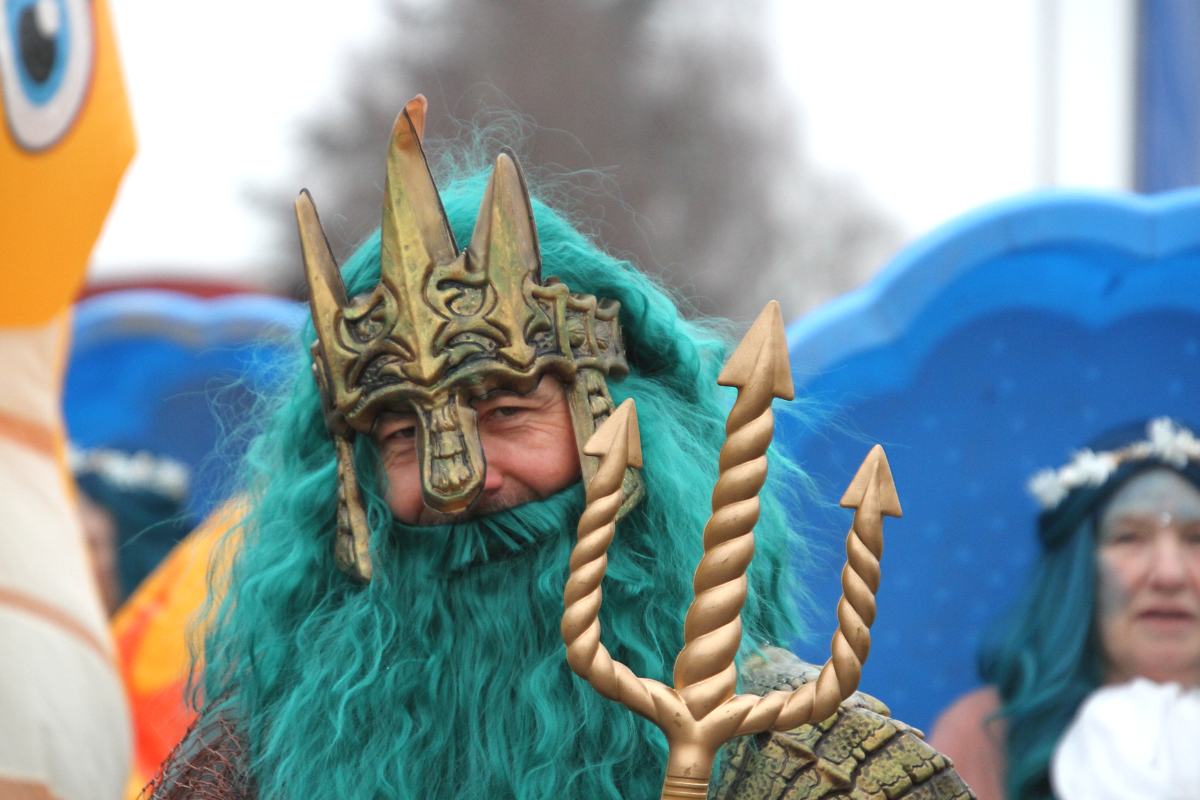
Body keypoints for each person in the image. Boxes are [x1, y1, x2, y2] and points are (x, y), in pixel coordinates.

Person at [146, 98, 971, 799]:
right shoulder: (243, 773)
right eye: (400, 435)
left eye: (507, 411)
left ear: (621, 428)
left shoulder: (824, 772)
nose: (458, 479)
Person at [930, 417, 1200, 800]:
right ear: (1077, 572)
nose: (1169, 574)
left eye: (1197, 538)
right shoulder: (987, 735)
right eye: (1129, 537)